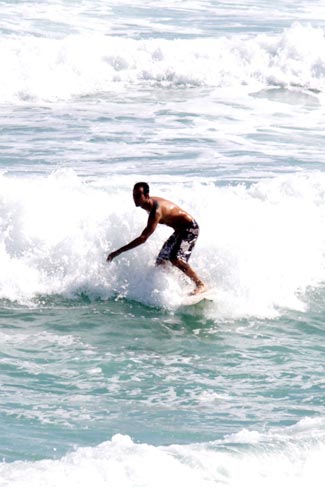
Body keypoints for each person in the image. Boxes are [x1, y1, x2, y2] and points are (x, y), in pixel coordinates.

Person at [106, 182, 206, 295]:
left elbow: (143, 238)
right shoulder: (147, 204)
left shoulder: (156, 211)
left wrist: (118, 252)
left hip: (190, 229)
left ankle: (200, 284)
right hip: (179, 231)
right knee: (161, 262)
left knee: (175, 258)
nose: (135, 198)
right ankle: (180, 284)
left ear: (147, 195)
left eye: (138, 195)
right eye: (134, 195)